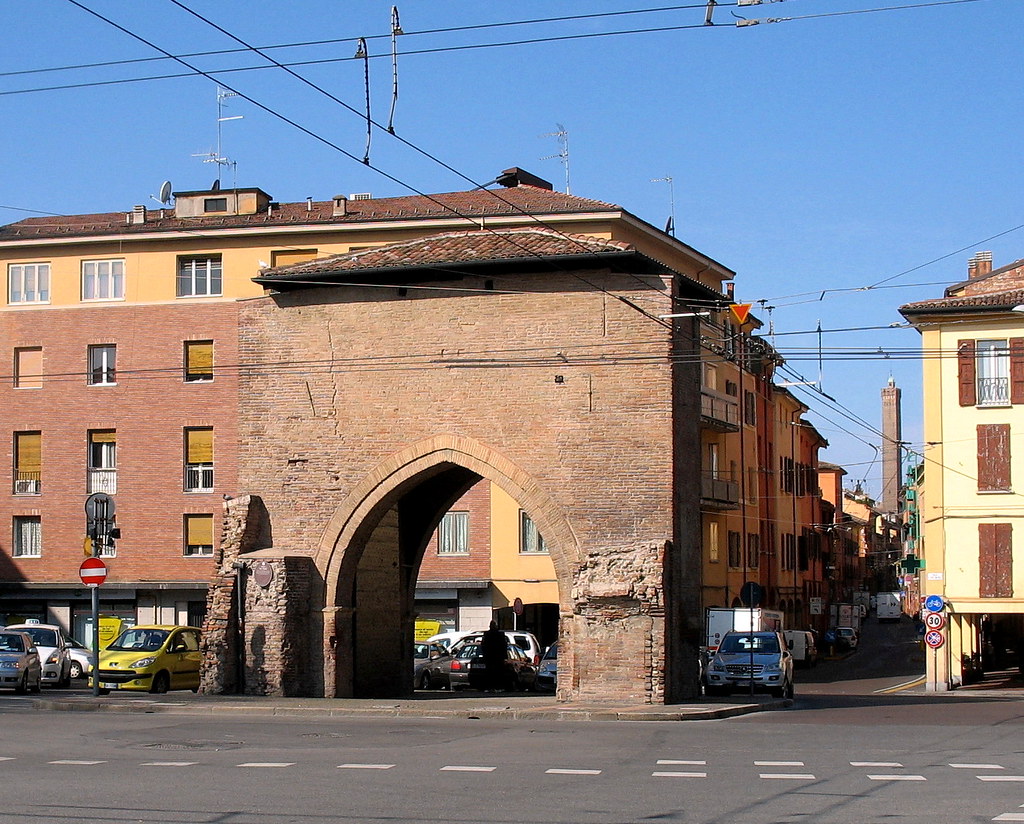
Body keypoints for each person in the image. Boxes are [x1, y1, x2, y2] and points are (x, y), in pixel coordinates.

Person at [480, 621, 507, 692]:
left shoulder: (487, 634)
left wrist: (485, 654)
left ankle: (490, 687)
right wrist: (504, 656)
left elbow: (483, 645)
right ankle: (498, 687)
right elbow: (504, 646)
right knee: (498, 673)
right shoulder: (500, 634)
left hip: (489, 657)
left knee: (489, 672)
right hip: (498, 657)